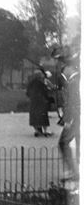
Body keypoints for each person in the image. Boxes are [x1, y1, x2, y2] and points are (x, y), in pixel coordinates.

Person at [57, 53, 80, 181]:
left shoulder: (73, 82)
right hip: (76, 118)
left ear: (70, 68)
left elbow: (73, 103)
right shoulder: (76, 81)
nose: (63, 71)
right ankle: (75, 171)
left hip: (74, 118)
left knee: (63, 142)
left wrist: (67, 120)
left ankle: (73, 172)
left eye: (64, 68)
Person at [26, 70, 53, 137]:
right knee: (43, 115)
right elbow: (44, 91)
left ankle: (36, 130)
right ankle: (45, 130)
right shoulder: (41, 83)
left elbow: (27, 92)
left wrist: (31, 97)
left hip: (33, 101)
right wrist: (47, 98)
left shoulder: (31, 83)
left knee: (34, 115)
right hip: (41, 101)